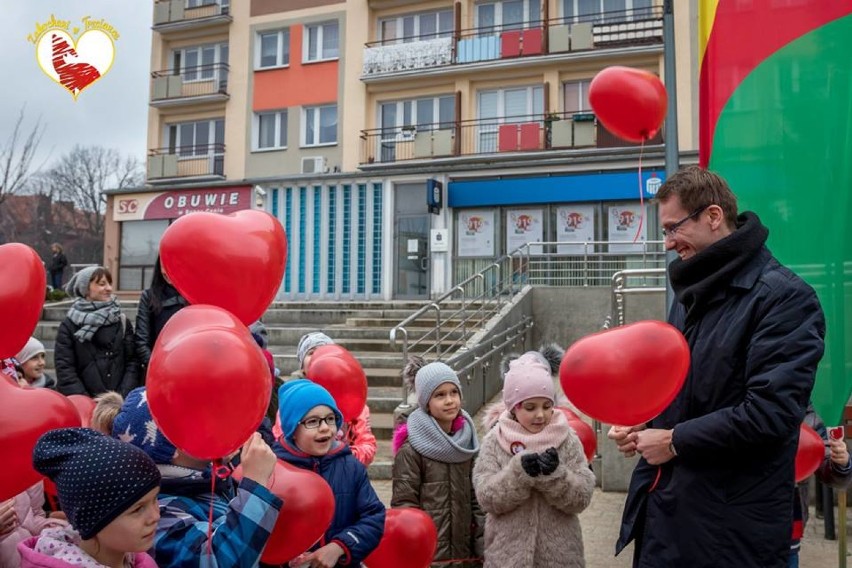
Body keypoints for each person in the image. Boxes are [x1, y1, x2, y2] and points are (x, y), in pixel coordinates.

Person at [607, 166, 826, 567]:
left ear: (712, 216)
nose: (669, 244)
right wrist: (647, 424)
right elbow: (688, 391)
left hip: (730, 533)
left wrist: (673, 440)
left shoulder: (784, 299)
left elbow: (770, 414)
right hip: (671, 519)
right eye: (665, 232)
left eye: (675, 229)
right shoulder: (692, 290)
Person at [111, 387, 282, 568]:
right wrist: (255, 485)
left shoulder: (205, 478)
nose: (215, 427)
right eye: (202, 423)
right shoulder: (156, 511)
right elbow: (214, 561)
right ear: (174, 447)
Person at [473, 355, 595, 567]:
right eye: (530, 408)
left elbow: (582, 498)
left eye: (547, 406)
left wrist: (556, 475)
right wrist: (517, 474)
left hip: (560, 557)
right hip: (507, 557)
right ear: (514, 407)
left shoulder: (566, 437)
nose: (540, 415)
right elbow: (486, 498)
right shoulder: (495, 440)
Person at [272, 379, 386, 566]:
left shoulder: (350, 467)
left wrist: (340, 546)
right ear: (293, 429)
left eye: (330, 418)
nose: (325, 427)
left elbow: (374, 517)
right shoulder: (274, 470)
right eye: (313, 421)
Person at [17, 428, 160, 568]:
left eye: (155, 499)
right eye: (138, 509)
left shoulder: (133, 556)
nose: (155, 516)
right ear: (91, 520)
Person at [391, 361, 484, 567]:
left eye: (454, 392)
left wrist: (481, 548)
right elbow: (404, 505)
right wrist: (417, 550)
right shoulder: (412, 449)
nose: (450, 400)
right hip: (430, 556)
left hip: (466, 554)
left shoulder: (467, 442)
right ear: (426, 402)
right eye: (440, 395)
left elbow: (478, 500)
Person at [276, 332, 378, 467]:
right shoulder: (291, 403)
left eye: (325, 350)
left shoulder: (355, 403)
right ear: (302, 367)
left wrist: (341, 458)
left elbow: (367, 446)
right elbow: (281, 442)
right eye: (311, 352)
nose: (319, 357)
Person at [54, 266, 139, 397]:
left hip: (119, 403)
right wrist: (85, 401)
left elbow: (133, 362)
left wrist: (121, 397)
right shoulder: (69, 325)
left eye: (110, 283)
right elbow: (65, 368)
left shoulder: (121, 321)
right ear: (85, 288)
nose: (109, 288)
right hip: (85, 407)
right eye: (101, 284)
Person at [790, 404, 852, 566]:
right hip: (734, 520)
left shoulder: (805, 409)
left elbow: (827, 467)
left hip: (787, 522)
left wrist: (840, 463)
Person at [133, 257, 187, 379]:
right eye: (163, 265)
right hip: (159, 372)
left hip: (190, 369)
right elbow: (141, 341)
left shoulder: (194, 295)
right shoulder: (149, 296)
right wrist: (157, 367)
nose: (166, 270)